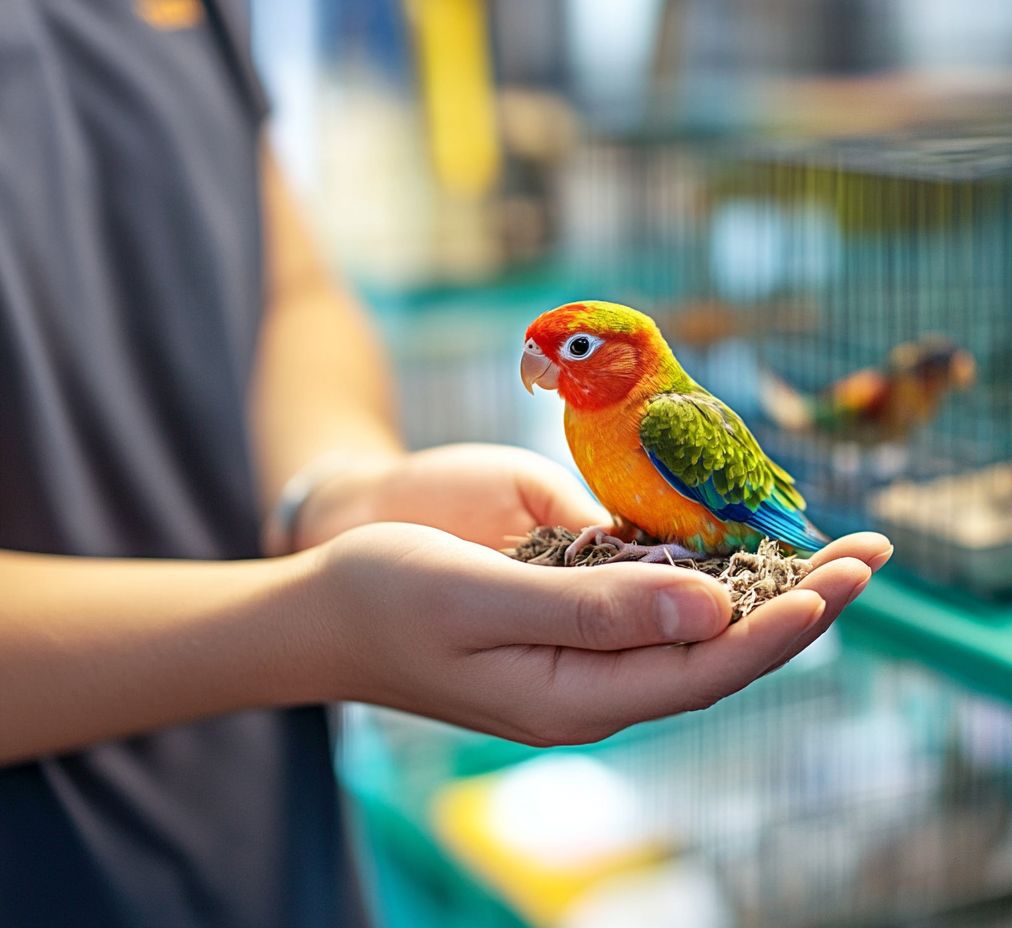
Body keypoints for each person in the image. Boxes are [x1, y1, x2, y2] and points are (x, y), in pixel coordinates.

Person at [0, 1, 891, 925]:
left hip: (268, 820)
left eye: (573, 352)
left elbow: (293, 291)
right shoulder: (600, 424)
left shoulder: (669, 420)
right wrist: (310, 625)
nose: (545, 369)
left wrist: (339, 494)